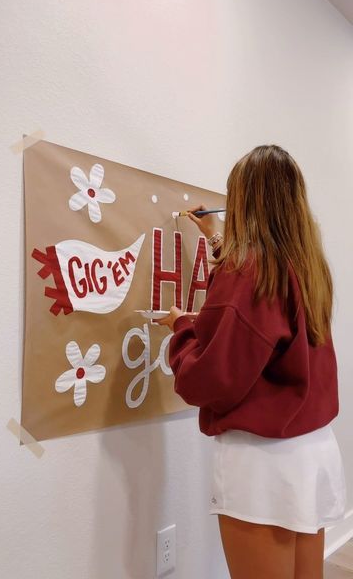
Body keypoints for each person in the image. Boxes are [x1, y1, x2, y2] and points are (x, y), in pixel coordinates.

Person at [156, 144, 347, 579]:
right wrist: (217, 238)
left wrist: (182, 329)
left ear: (242, 201)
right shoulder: (306, 265)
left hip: (265, 465)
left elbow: (212, 380)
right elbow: (260, 317)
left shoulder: (249, 272)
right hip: (311, 450)